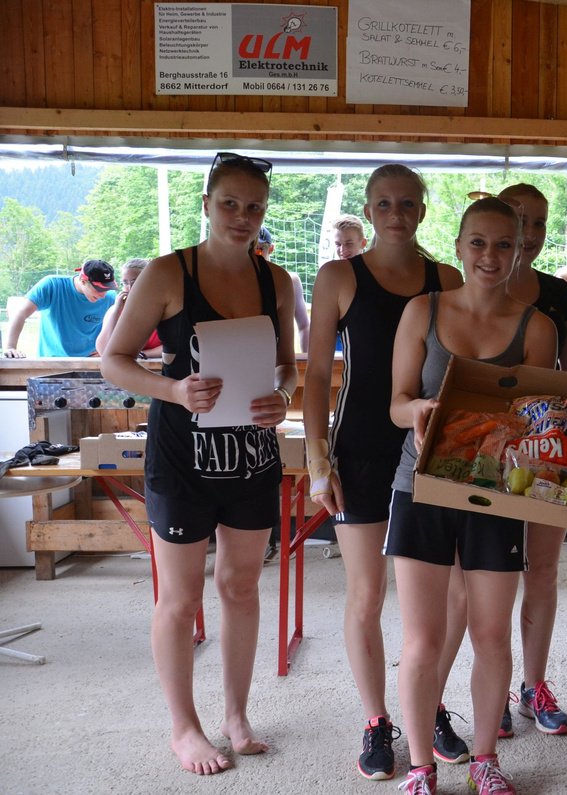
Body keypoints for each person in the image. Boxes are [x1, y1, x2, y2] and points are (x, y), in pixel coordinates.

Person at [100, 151, 296, 775]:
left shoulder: (278, 282)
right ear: (207, 205)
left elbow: (287, 366)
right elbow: (113, 360)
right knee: (181, 599)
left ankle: (236, 715)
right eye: (230, 203)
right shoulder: (168, 274)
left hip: (252, 458)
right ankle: (184, 728)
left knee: (240, 586)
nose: (242, 216)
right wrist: (175, 390)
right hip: (181, 461)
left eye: (254, 206)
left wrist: (283, 395)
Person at [387, 197, 557, 795]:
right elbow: (396, 403)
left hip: (494, 495)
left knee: (490, 634)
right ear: (458, 247)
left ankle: (486, 759)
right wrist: (419, 409)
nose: (490, 255)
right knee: (423, 640)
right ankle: (420, 767)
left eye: (503, 244)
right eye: (478, 243)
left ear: (519, 250)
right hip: (422, 485)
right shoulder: (423, 310)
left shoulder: (537, 327)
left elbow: (541, 418)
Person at [304, 164, 465, 781]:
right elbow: (316, 375)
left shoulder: (446, 278)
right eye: (385, 204)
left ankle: (430, 703)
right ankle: (376, 719)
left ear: (422, 210)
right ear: (369, 211)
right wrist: (318, 459)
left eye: (408, 204)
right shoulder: (340, 276)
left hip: (432, 446)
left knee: (445, 597)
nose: (397, 214)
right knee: (367, 593)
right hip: (362, 447)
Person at [490, 182, 567, 739]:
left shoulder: (558, 296)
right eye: (518, 220)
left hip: (548, 453)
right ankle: (493, 687)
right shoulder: (469, 288)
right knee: (490, 577)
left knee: (542, 570)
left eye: (540, 222)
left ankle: (534, 684)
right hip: (487, 453)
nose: (528, 233)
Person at [4, 259, 117, 358]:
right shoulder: (52, 285)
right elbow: (20, 313)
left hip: (89, 363)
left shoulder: (111, 298)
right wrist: (10, 347)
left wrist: (107, 349)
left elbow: (121, 329)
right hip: (53, 362)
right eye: (99, 289)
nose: (103, 295)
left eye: (107, 289)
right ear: (83, 281)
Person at [255, 227, 311, 353]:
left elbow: (304, 326)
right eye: (250, 249)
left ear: (271, 249)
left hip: (281, 357)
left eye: (260, 249)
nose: (255, 255)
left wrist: (306, 358)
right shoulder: (240, 281)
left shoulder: (290, 280)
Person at [95, 258, 163, 358]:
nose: (130, 288)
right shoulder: (115, 310)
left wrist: (142, 355)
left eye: (136, 282)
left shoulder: (163, 309)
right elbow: (103, 350)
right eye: (125, 283)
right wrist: (116, 310)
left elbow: (175, 346)